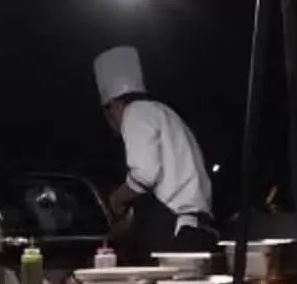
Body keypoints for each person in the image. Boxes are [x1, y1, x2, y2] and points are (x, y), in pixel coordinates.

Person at [92, 45, 215, 262]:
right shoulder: (164, 113)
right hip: (198, 229)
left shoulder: (135, 113)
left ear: (115, 105)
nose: (109, 121)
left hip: (176, 233)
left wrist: (116, 199)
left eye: (106, 111)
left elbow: (145, 175)